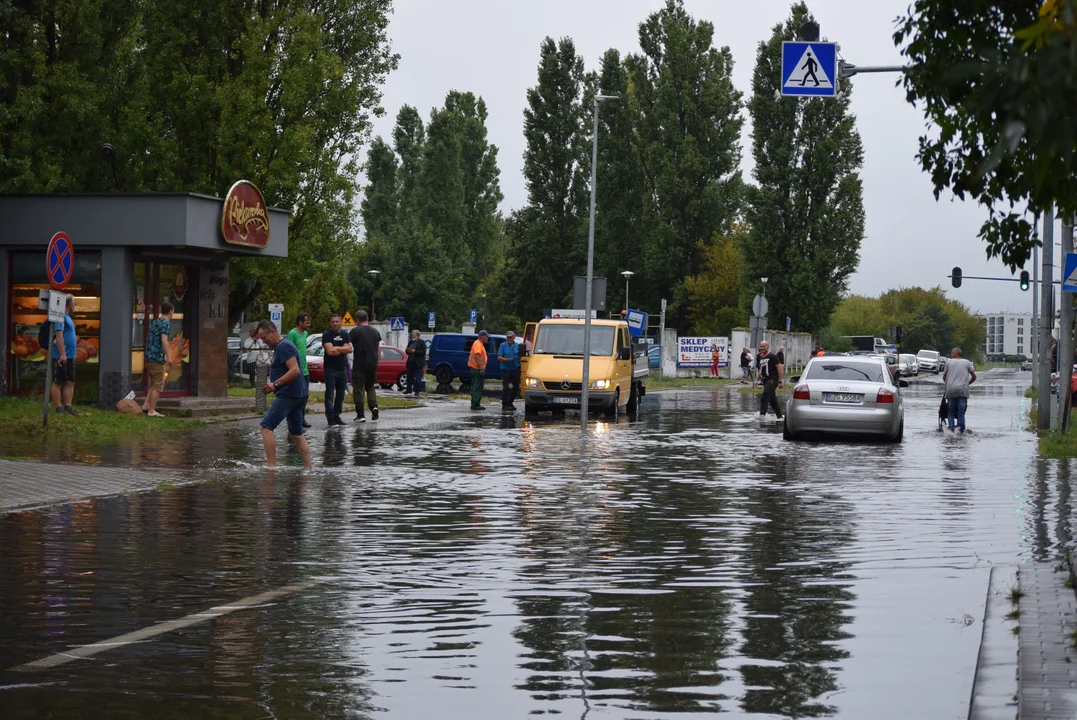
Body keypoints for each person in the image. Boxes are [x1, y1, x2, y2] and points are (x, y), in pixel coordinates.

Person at [256, 320, 312, 469]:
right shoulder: (285, 345)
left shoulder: (284, 346)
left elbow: (294, 370)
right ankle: (309, 468)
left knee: (266, 427)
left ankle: (271, 468)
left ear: (272, 331)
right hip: (298, 394)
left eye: (264, 338)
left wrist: (275, 384)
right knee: (296, 433)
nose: (264, 341)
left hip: (288, 395)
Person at [143, 301, 175, 417]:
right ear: (171, 311)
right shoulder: (166, 323)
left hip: (149, 356)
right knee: (158, 385)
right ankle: (152, 410)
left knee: (154, 384)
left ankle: (146, 405)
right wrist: (169, 356)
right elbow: (164, 340)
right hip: (157, 358)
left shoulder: (156, 321)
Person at [51, 293, 81, 416]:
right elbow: (59, 336)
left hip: (70, 355)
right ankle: (58, 408)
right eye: (74, 303)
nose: (75, 305)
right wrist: (62, 354)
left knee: (70, 381)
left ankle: (68, 406)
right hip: (61, 355)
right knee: (58, 381)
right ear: (69, 304)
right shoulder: (60, 317)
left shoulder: (68, 317)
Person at [349, 310, 381, 422]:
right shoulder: (375, 332)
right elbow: (378, 348)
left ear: (357, 319)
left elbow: (348, 345)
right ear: (367, 318)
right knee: (370, 387)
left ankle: (360, 414)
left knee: (358, 389)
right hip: (373, 364)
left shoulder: (355, 331)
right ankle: (374, 407)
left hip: (359, 365)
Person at [321, 313, 352, 427]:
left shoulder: (345, 334)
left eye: (336, 321)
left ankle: (337, 416)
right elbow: (330, 351)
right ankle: (331, 419)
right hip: (330, 369)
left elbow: (350, 349)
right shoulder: (327, 335)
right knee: (329, 394)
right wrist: (343, 348)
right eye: (332, 321)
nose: (335, 323)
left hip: (341, 369)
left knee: (340, 395)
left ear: (340, 322)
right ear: (330, 323)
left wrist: (337, 348)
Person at [286, 312, 313, 428]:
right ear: (300, 322)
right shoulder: (292, 334)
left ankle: (301, 418)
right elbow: (288, 349)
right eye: (306, 322)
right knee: (296, 395)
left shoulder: (306, 333)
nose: (308, 324)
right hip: (295, 369)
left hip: (305, 369)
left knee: (305, 395)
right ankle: (294, 418)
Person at [943, 346, 977, 433]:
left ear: (955, 354)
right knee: (961, 413)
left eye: (952, 353)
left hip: (951, 390)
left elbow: (944, 377)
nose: (951, 354)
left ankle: (951, 430)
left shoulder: (948, 362)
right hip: (963, 390)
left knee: (950, 412)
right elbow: (974, 377)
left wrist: (949, 384)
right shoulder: (967, 362)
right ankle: (961, 431)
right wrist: (967, 384)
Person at [757, 340, 783, 419]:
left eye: (764, 346)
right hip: (765, 380)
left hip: (773, 379)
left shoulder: (772, 356)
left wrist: (780, 381)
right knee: (772, 399)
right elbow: (760, 369)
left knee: (765, 395)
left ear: (767, 347)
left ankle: (762, 415)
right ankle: (779, 416)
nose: (762, 348)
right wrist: (756, 380)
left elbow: (779, 367)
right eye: (761, 346)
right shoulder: (761, 357)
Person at [497, 330, 521, 410]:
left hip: (515, 368)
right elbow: (499, 357)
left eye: (510, 337)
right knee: (506, 387)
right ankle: (504, 404)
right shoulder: (503, 345)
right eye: (508, 337)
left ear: (514, 337)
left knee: (516, 387)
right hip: (505, 369)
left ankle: (510, 402)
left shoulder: (517, 345)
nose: (509, 339)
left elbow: (520, 356)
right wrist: (507, 360)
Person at [468, 330, 489, 411]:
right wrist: (481, 368)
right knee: (477, 387)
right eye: (486, 336)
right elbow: (477, 355)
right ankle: (475, 404)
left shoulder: (478, 344)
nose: (487, 338)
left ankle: (475, 403)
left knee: (475, 386)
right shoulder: (478, 344)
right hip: (477, 369)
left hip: (476, 368)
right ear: (482, 337)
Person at [405, 329, 427, 396]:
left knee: (418, 377)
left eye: (413, 335)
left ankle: (417, 391)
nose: (412, 336)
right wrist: (408, 351)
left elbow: (423, 352)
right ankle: (408, 390)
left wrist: (415, 351)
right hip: (410, 362)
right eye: (412, 335)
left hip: (418, 363)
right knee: (409, 376)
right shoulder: (411, 342)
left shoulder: (422, 342)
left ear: (417, 335)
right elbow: (406, 351)